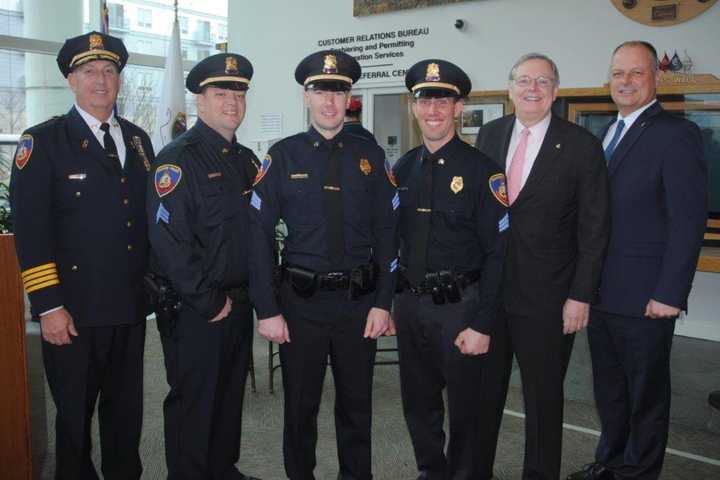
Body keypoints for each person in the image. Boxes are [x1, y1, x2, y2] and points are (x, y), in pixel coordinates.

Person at [9, 31, 154, 479]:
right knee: (74, 418)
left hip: (129, 307)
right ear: (70, 80)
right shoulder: (43, 142)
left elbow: (145, 221)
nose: (101, 80)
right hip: (73, 311)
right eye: (89, 71)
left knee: (125, 413)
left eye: (110, 71)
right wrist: (49, 306)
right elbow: (30, 233)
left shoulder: (137, 140)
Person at [249, 49, 398, 480]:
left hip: (359, 302)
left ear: (349, 96)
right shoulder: (283, 157)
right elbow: (257, 235)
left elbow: (389, 233)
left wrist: (383, 301)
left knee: (357, 406)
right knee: (300, 406)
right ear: (306, 96)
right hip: (301, 304)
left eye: (338, 91)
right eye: (320, 91)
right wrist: (268, 308)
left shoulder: (370, 156)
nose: (330, 101)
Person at [567, 41, 707, 480]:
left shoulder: (675, 134)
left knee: (645, 395)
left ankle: (638, 472)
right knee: (610, 391)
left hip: (648, 295)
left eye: (636, 73)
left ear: (656, 79)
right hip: (604, 292)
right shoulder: (607, 133)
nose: (625, 82)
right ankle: (609, 463)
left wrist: (670, 293)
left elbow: (688, 221)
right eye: (618, 73)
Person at [474, 53, 610, 480]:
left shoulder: (581, 145)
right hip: (491, 295)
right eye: (524, 80)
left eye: (543, 81)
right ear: (510, 87)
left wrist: (581, 294)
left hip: (549, 299)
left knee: (543, 400)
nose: (532, 88)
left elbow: (595, 227)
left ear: (555, 90)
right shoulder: (490, 135)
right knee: (483, 396)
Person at [146, 53, 261, 480]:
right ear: (199, 101)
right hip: (198, 309)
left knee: (229, 397)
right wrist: (209, 301)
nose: (231, 101)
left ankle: (222, 469)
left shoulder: (247, 161)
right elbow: (169, 242)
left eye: (238, 92)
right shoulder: (177, 161)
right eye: (220, 92)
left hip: (239, 302)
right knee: (194, 401)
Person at [392, 59, 508, 480]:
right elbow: (392, 242)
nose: (434, 110)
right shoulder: (402, 169)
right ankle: (431, 472)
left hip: (462, 308)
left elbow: (499, 253)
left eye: (444, 101)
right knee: (418, 404)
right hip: (411, 306)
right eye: (425, 101)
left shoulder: (483, 172)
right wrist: (392, 303)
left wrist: (483, 322)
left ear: (459, 108)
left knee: (467, 409)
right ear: (414, 108)